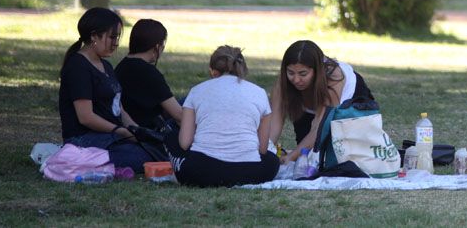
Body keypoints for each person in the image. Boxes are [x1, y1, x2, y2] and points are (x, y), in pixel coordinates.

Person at [58, 8, 155, 171]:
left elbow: (119, 108)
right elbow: (85, 117)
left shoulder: (106, 65)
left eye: (117, 37)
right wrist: (120, 131)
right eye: (112, 37)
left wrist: (137, 131)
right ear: (94, 36)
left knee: (154, 149)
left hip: (110, 137)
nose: (116, 43)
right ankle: (80, 160)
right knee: (143, 157)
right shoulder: (78, 67)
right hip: (83, 140)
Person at [176, 46, 279, 187]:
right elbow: (262, 148)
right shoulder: (259, 93)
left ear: (213, 72)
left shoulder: (196, 91)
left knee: (171, 137)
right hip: (251, 171)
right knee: (272, 160)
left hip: (201, 172)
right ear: (242, 70)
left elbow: (185, 142)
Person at [267, 40, 375, 162]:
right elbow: (273, 123)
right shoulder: (283, 83)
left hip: (351, 107)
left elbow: (320, 128)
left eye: (303, 74)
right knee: (305, 157)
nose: (296, 80)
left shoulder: (333, 79)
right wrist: (265, 151)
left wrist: (290, 157)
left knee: (336, 156)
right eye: (291, 73)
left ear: (316, 71)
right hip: (313, 109)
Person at [115, 19, 183, 129]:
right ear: (157, 47)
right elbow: (180, 117)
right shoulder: (149, 73)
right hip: (148, 130)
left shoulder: (123, 65)